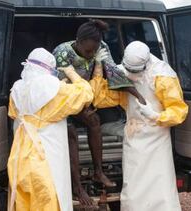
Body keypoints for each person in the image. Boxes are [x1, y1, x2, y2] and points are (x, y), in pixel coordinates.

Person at [52, 19, 146, 206]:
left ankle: (98, 172)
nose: (90, 55)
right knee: (70, 133)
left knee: (94, 122)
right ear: (77, 41)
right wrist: (83, 107)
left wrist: (136, 94)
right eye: (87, 51)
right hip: (62, 97)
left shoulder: (100, 46)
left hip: (84, 95)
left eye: (93, 52)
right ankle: (77, 187)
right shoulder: (62, 52)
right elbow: (64, 88)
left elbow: (112, 72)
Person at [90, 41, 189, 211]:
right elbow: (100, 99)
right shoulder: (122, 73)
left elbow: (179, 110)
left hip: (157, 137)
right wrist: (98, 69)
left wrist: (156, 116)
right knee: (134, 187)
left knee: (160, 186)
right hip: (134, 136)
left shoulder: (162, 75)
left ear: (146, 63)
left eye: (135, 72)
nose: (131, 75)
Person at [7, 48, 93, 210]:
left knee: (25, 203)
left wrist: (59, 87)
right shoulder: (54, 89)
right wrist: (73, 73)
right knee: (49, 201)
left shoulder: (17, 88)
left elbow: (15, 113)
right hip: (45, 159)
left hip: (20, 157)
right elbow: (86, 94)